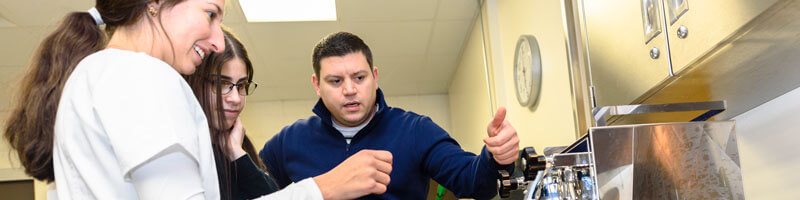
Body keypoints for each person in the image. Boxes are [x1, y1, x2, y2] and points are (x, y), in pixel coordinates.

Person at [259, 31, 521, 199]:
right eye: (336, 81)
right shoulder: (287, 142)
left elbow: (474, 183)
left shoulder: (415, 130)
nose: (350, 90)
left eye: (359, 78)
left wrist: (497, 158)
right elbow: (253, 194)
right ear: (317, 85)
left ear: (374, 77)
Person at [186, 28, 398, 200]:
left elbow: (270, 195)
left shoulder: (235, 150)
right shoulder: (184, 146)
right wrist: (326, 187)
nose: (235, 98)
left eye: (241, 86)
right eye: (222, 84)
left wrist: (237, 154)